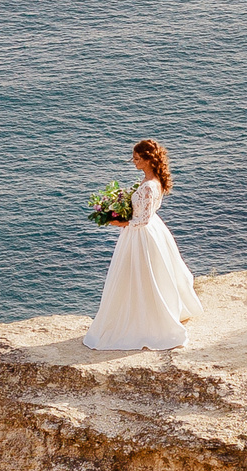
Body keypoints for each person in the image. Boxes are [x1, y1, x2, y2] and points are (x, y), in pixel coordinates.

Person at [84, 138, 200, 351]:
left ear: (148, 159)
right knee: (150, 276)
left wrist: (120, 222)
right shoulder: (152, 181)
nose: (134, 162)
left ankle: (142, 322)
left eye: (137, 158)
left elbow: (142, 220)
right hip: (151, 231)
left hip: (141, 235)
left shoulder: (148, 187)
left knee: (138, 275)